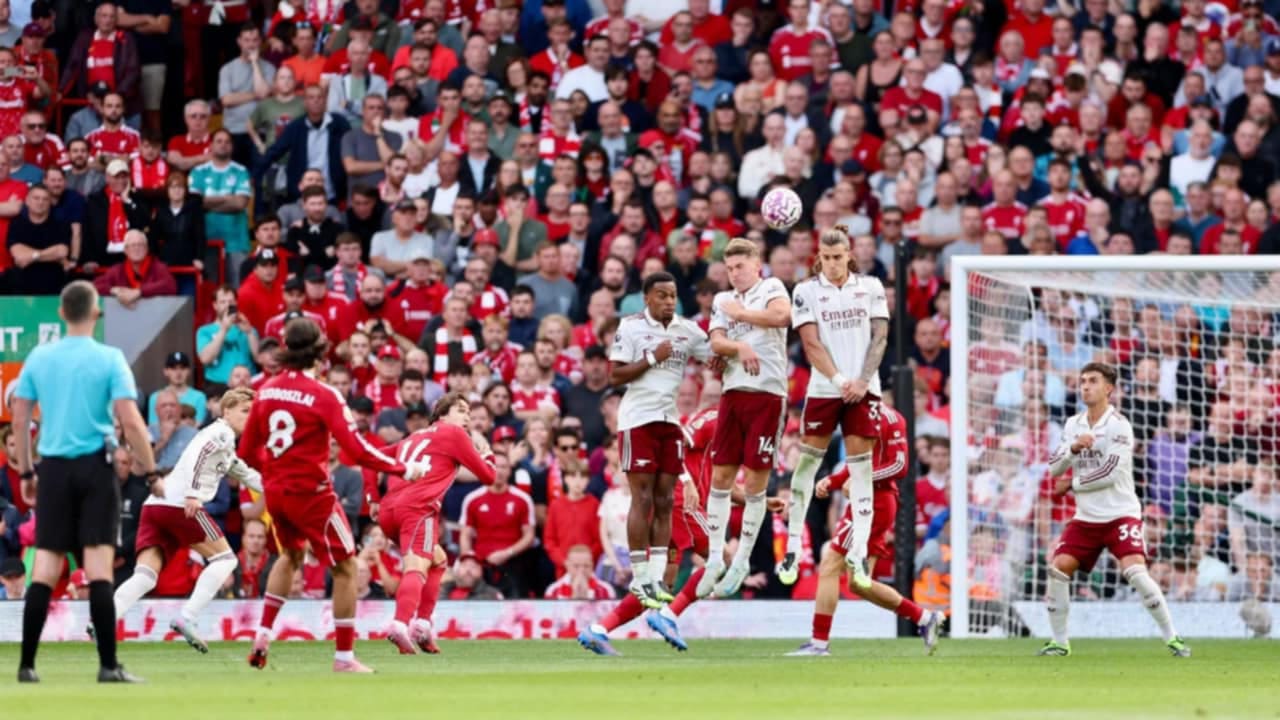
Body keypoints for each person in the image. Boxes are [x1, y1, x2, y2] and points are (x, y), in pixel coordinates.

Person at [240, 318, 421, 673]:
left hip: (276, 494)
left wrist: (275, 472)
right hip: (312, 495)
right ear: (320, 351)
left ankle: (262, 634)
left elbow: (246, 451)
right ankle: (344, 657)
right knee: (347, 567)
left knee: (290, 555)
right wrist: (402, 469)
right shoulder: (324, 395)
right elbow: (357, 449)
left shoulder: (267, 391)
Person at [11, 280, 157, 683]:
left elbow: (20, 418)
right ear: (96, 312)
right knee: (98, 569)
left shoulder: (40, 358)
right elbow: (131, 421)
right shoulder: (109, 359)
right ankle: (108, 666)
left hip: (54, 469)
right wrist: (151, 471)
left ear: (61, 313)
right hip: (95, 468)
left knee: (45, 566)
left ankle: (26, 666)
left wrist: (27, 472)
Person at [93, 389, 264, 654]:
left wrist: (282, 489)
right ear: (227, 411)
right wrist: (193, 493)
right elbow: (200, 456)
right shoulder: (221, 433)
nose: (249, 417)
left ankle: (104, 620)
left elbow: (247, 474)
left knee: (146, 575)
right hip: (179, 504)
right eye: (245, 411)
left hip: (155, 506)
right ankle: (188, 617)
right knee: (226, 560)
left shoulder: (223, 444)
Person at [1041, 362, 1191, 658]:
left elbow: (1111, 471)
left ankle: (1172, 637)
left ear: (1108, 388)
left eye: (1092, 381)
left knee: (1135, 571)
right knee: (1058, 569)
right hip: (1086, 517)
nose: (1085, 386)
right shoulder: (1072, 424)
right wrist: (1073, 449)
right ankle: (1059, 643)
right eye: (1083, 381)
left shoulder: (1119, 425)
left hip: (1120, 514)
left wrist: (1073, 483)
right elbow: (1054, 466)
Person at [776, 224, 891, 590]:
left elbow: (880, 338)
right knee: (807, 465)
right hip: (826, 390)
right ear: (818, 258)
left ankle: (859, 553)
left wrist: (862, 381)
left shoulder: (871, 287)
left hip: (865, 389)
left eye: (838, 257)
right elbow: (812, 345)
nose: (832, 264)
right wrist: (843, 382)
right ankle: (793, 547)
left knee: (861, 470)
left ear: (849, 255)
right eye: (825, 258)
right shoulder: (806, 291)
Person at [789, 401, 943, 656]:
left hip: (875, 503)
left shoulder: (890, 418)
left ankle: (818, 644)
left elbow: (899, 466)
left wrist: (861, 479)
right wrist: (833, 480)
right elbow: (858, 464)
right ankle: (925, 618)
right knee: (859, 584)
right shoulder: (855, 415)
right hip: (867, 501)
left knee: (829, 564)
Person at [604, 271, 709, 607]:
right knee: (643, 498)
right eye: (661, 295)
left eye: (673, 295)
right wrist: (652, 357)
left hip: (669, 421)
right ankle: (640, 578)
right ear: (647, 298)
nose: (668, 301)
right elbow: (615, 375)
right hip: (637, 420)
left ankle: (657, 577)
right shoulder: (631, 326)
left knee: (665, 500)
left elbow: (713, 354)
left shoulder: (687, 329)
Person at [700, 237, 791, 597]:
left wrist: (742, 316)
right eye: (729, 268)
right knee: (721, 475)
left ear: (757, 265)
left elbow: (782, 316)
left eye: (740, 266)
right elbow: (717, 342)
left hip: (767, 394)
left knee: (755, 482)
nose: (734, 273)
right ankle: (714, 559)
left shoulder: (771, 287)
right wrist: (739, 346)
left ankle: (742, 562)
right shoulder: (723, 299)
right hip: (733, 393)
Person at [381, 392, 497, 654]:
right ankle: (400, 624)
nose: (467, 417)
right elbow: (489, 477)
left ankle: (422, 626)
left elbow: (374, 458)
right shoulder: (453, 434)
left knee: (438, 560)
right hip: (418, 508)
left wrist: (372, 498)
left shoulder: (414, 437)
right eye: (461, 410)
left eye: (469, 413)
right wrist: (488, 454)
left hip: (390, 509)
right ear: (442, 414)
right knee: (417, 565)